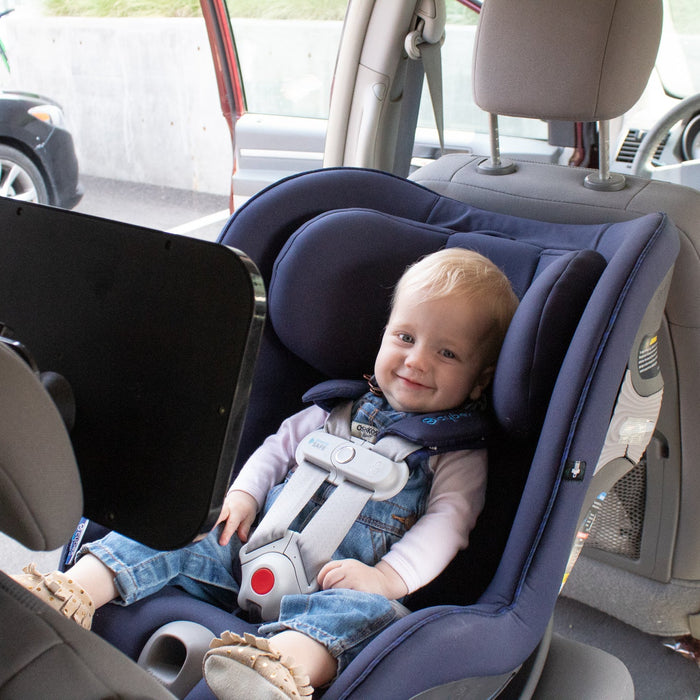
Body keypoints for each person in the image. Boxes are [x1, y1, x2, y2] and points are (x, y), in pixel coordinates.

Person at [13, 248, 519, 699]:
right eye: (404, 337)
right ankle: (70, 590)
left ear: (481, 379)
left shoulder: (454, 453)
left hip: (334, 586)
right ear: (383, 335)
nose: (415, 360)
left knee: (373, 618)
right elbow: (275, 452)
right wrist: (243, 496)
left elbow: (448, 525)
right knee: (181, 532)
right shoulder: (335, 410)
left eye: (446, 353)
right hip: (248, 547)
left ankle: (278, 669)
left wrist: (385, 579)